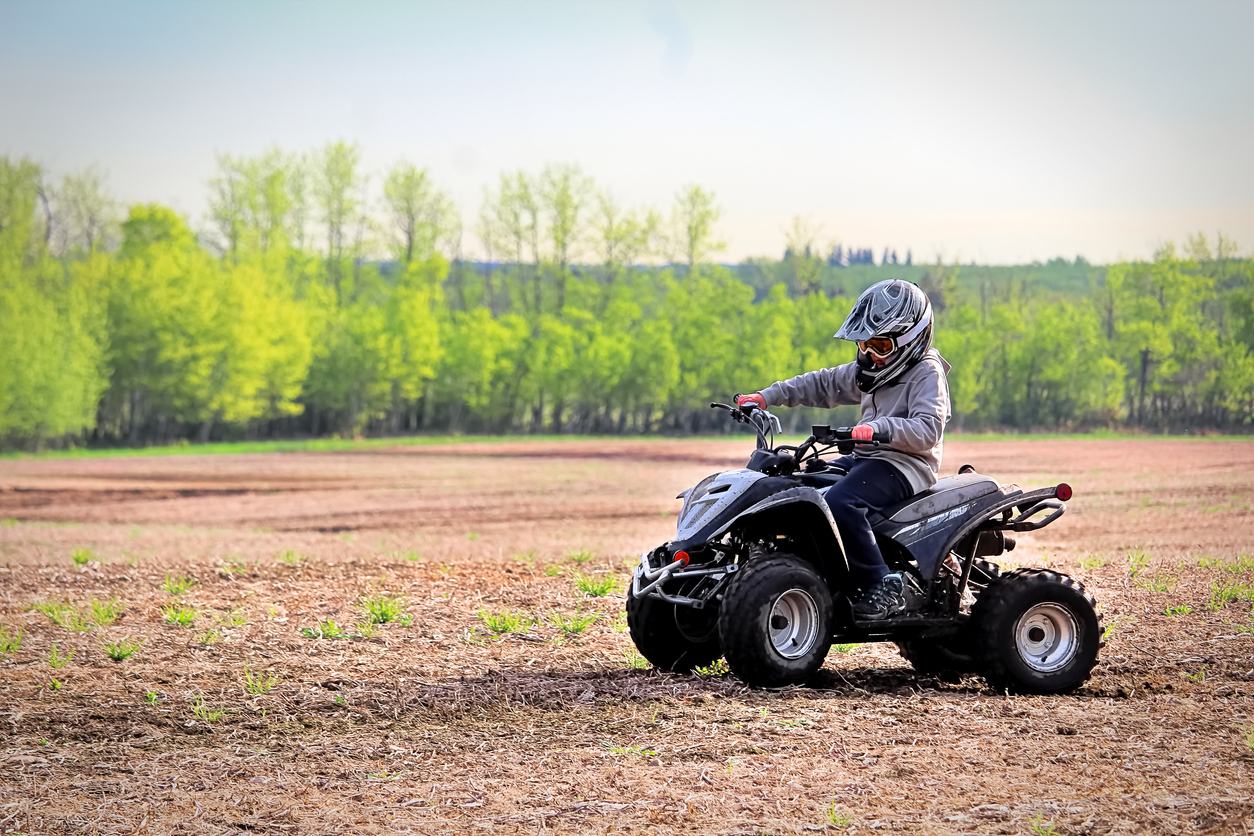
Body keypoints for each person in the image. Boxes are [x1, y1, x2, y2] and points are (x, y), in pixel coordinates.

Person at [737, 279, 951, 620]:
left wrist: (879, 429)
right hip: (867, 457)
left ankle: (883, 585)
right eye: (864, 344)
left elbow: (927, 429)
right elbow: (821, 383)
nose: (869, 354)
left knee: (841, 502)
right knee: (803, 486)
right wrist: (766, 396)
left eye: (879, 345)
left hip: (906, 465)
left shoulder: (927, 372)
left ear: (909, 340)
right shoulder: (871, 370)